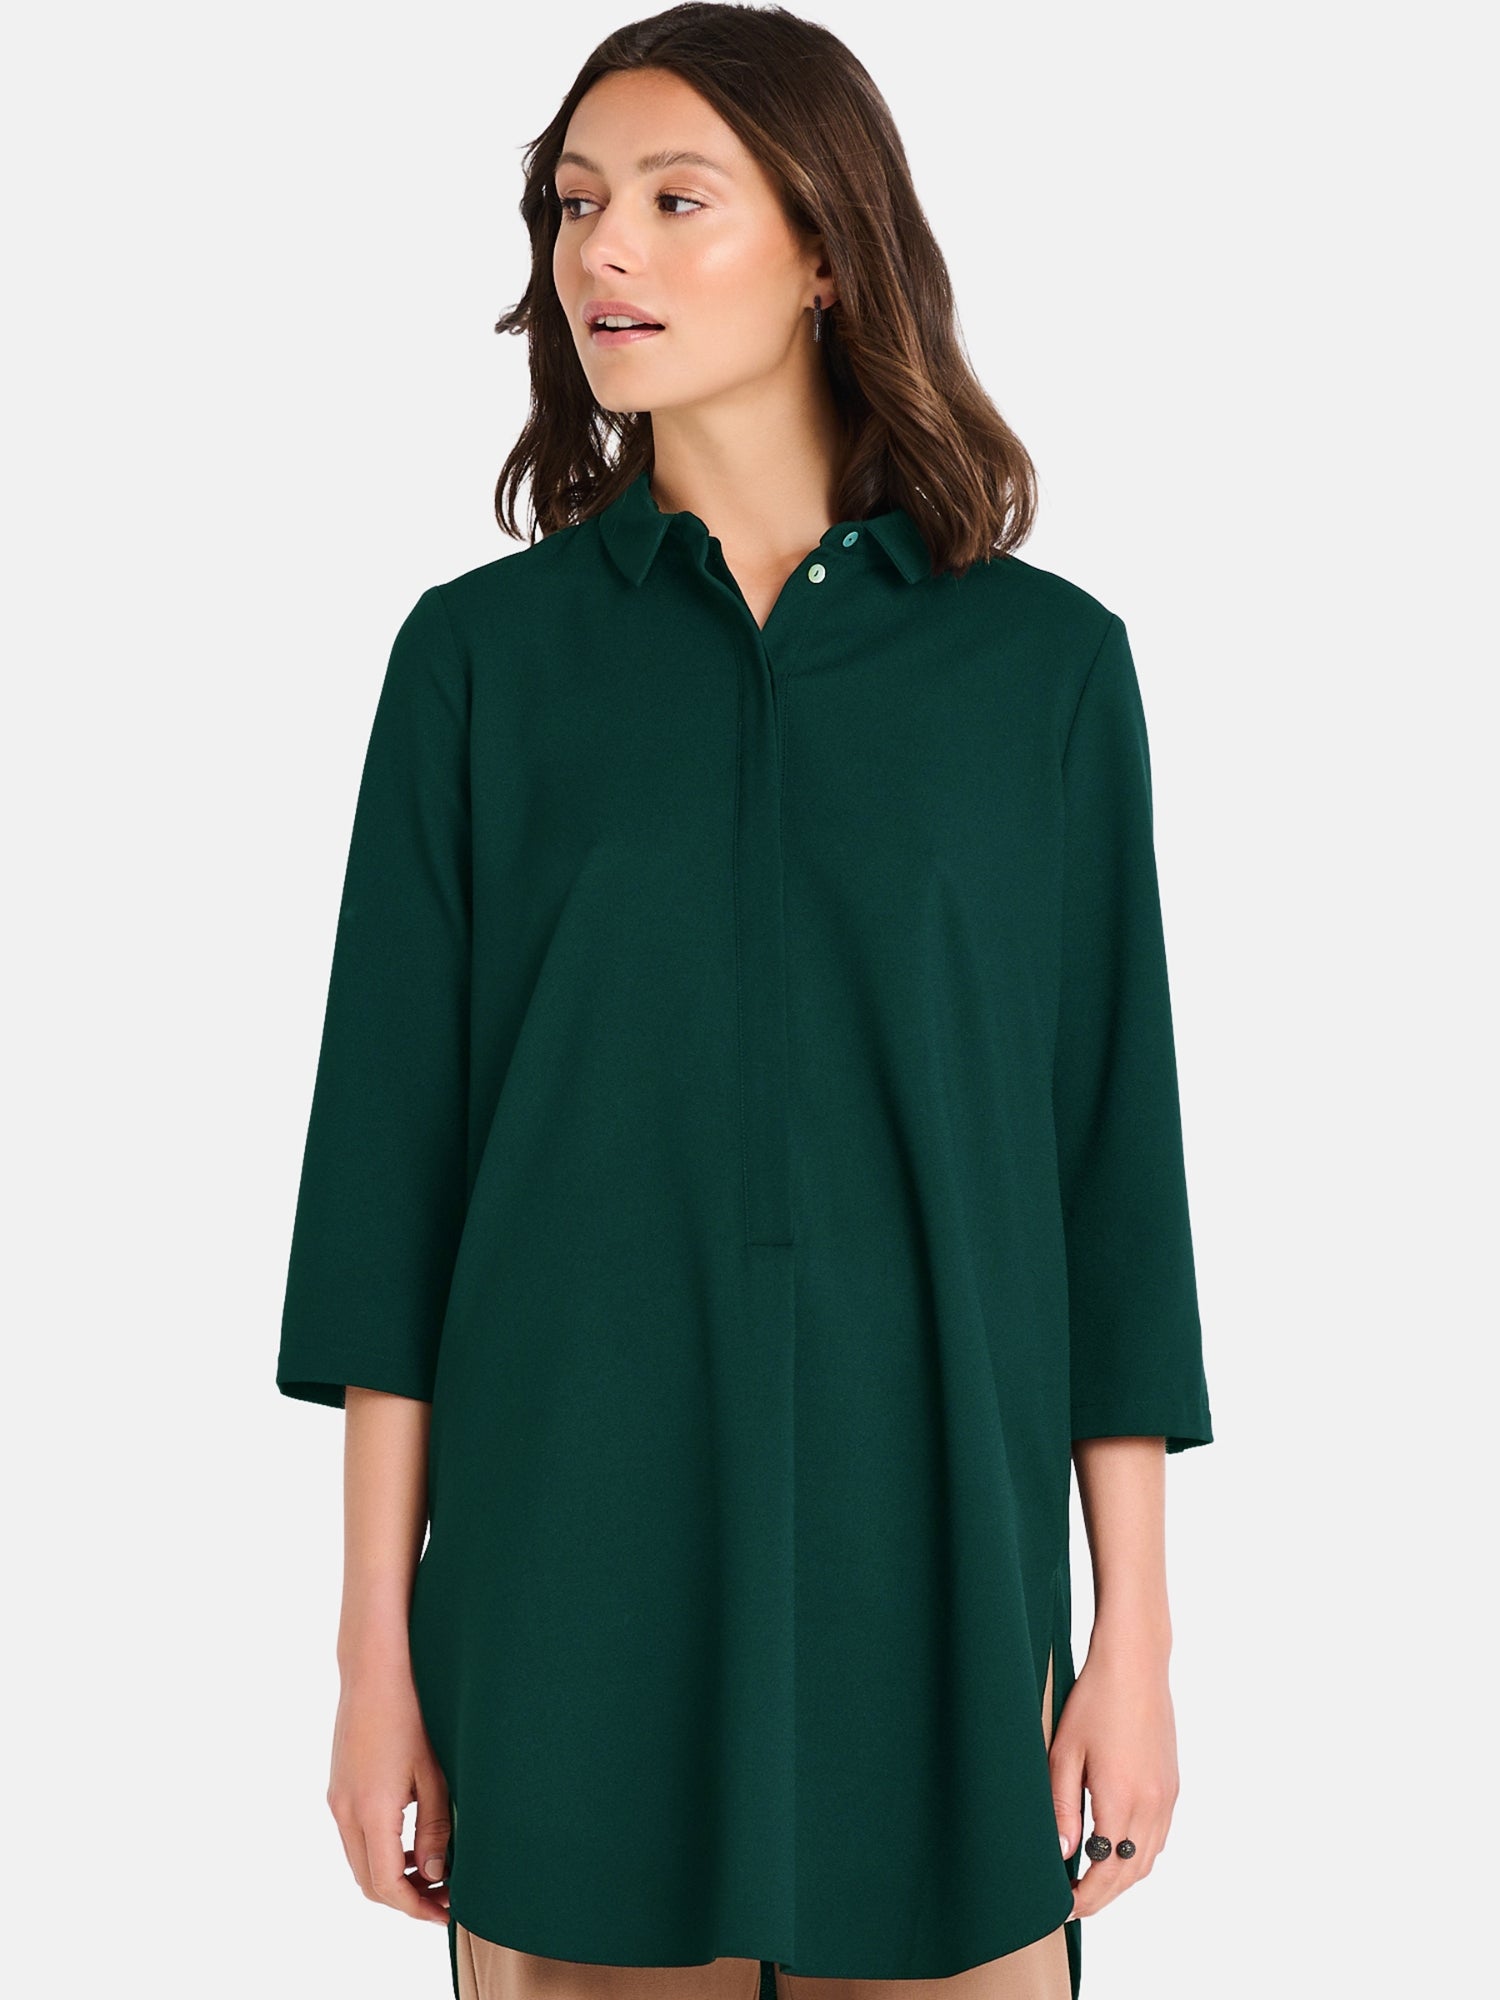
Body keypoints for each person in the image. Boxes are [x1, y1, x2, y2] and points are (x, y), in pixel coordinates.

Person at [275, 7, 1215, 1998]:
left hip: (941, 1583)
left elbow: (1107, 1171)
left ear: (822, 252)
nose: (601, 248)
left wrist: (1132, 1633)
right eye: (573, 204)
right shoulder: (480, 665)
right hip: (563, 1590)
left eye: (673, 199)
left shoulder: (1043, 672)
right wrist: (373, 1661)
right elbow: (387, 1195)